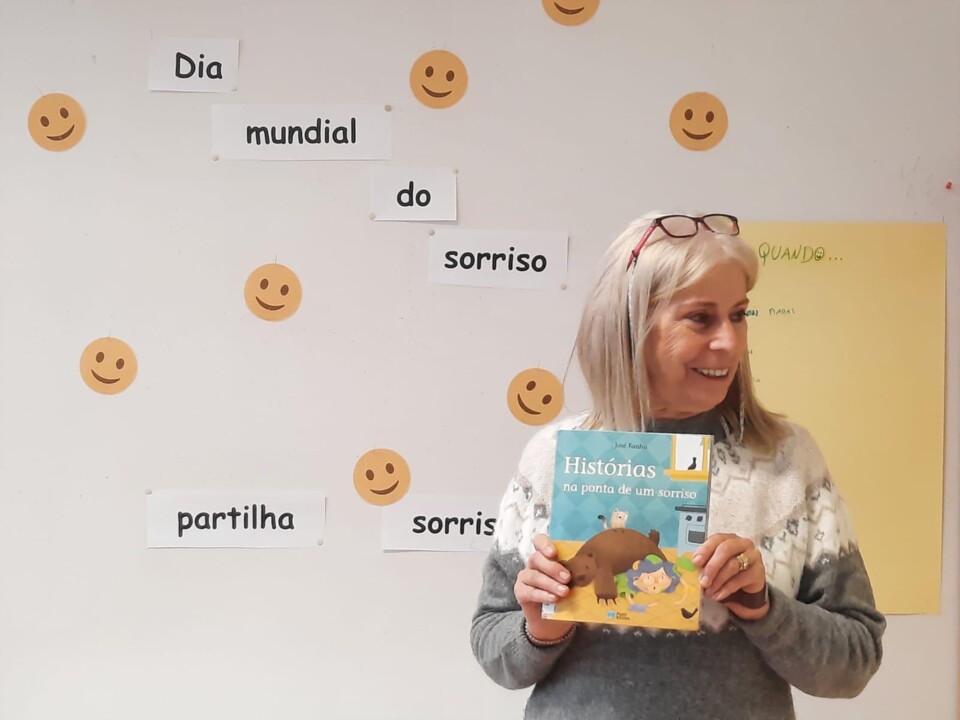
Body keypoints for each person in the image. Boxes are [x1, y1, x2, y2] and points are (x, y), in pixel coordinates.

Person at [470, 212, 885, 719]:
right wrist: (539, 630)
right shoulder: (555, 456)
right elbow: (494, 649)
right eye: (701, 318)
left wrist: (762, 608)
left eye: (739, 315)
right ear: (629, 328)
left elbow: (855, 661)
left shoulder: (787, 459)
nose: (730, 342)